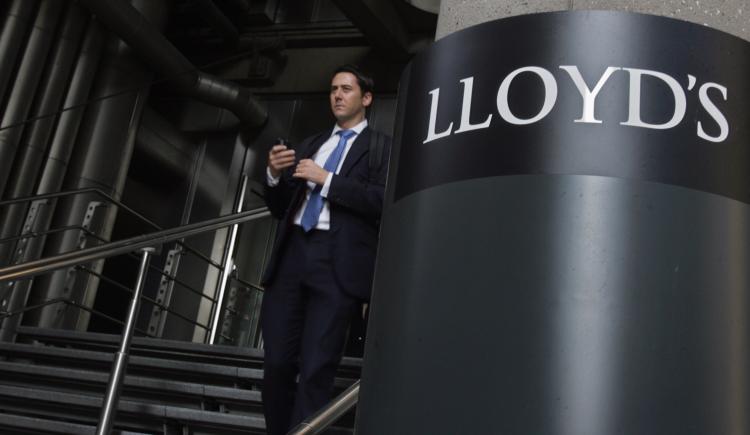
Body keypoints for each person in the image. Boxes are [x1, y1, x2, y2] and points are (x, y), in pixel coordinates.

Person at [260, 64, 391, 435]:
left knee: (317, 367)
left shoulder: (381, 148)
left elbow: (381, 201)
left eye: (346, 89)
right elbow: (279, 206)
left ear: (365, 98)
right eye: (333, 88)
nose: (337, 95)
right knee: (277, 365)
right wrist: (273, 175)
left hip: (338, 264)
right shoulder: (311, 144)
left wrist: (328, 181)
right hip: (292, 258)